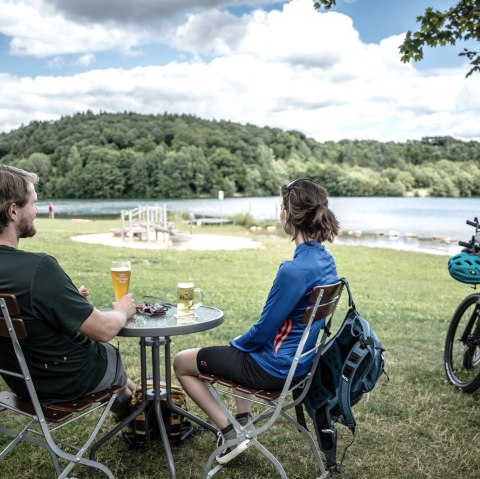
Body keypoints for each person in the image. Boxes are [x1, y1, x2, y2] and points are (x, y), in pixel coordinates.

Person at [174, 178, 339, 464]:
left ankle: (231, 433)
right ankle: (243, 420)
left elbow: (261, 333)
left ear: (287, 215)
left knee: (182, 362)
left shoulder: (293, 270)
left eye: (281, 207)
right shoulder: (325, 260)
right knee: (240, 350)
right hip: (300, 364)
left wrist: (236, 344)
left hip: (273, 369)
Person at [0, 165, 136, 416]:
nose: (36, 210)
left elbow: (23, 315)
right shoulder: (38, 268)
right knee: (107, 355)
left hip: (23, 383)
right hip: (66, 382)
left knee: (108, 367)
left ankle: (139, 405)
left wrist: (62, 305)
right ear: (13, 211)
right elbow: (104, 330)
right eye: (33, 203)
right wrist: (123, 310)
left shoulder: (29, 275)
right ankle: (136, 413)